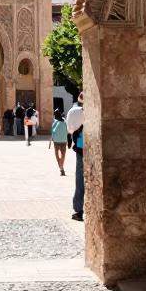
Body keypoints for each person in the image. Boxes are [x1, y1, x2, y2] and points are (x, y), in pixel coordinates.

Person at [66, 93, 85, 221]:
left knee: (80, 179)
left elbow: (70, 130)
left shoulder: (74, 112)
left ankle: (78, 209)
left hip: (81, 148)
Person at [50, 108, 68, 175]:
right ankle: (61, 166)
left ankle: (61, 167)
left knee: (57, 154)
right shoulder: (64, 122)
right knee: (63, 154)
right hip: (63, 140)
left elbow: (52, 131)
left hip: (56, 140)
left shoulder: (55, 122)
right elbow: (67, 130)